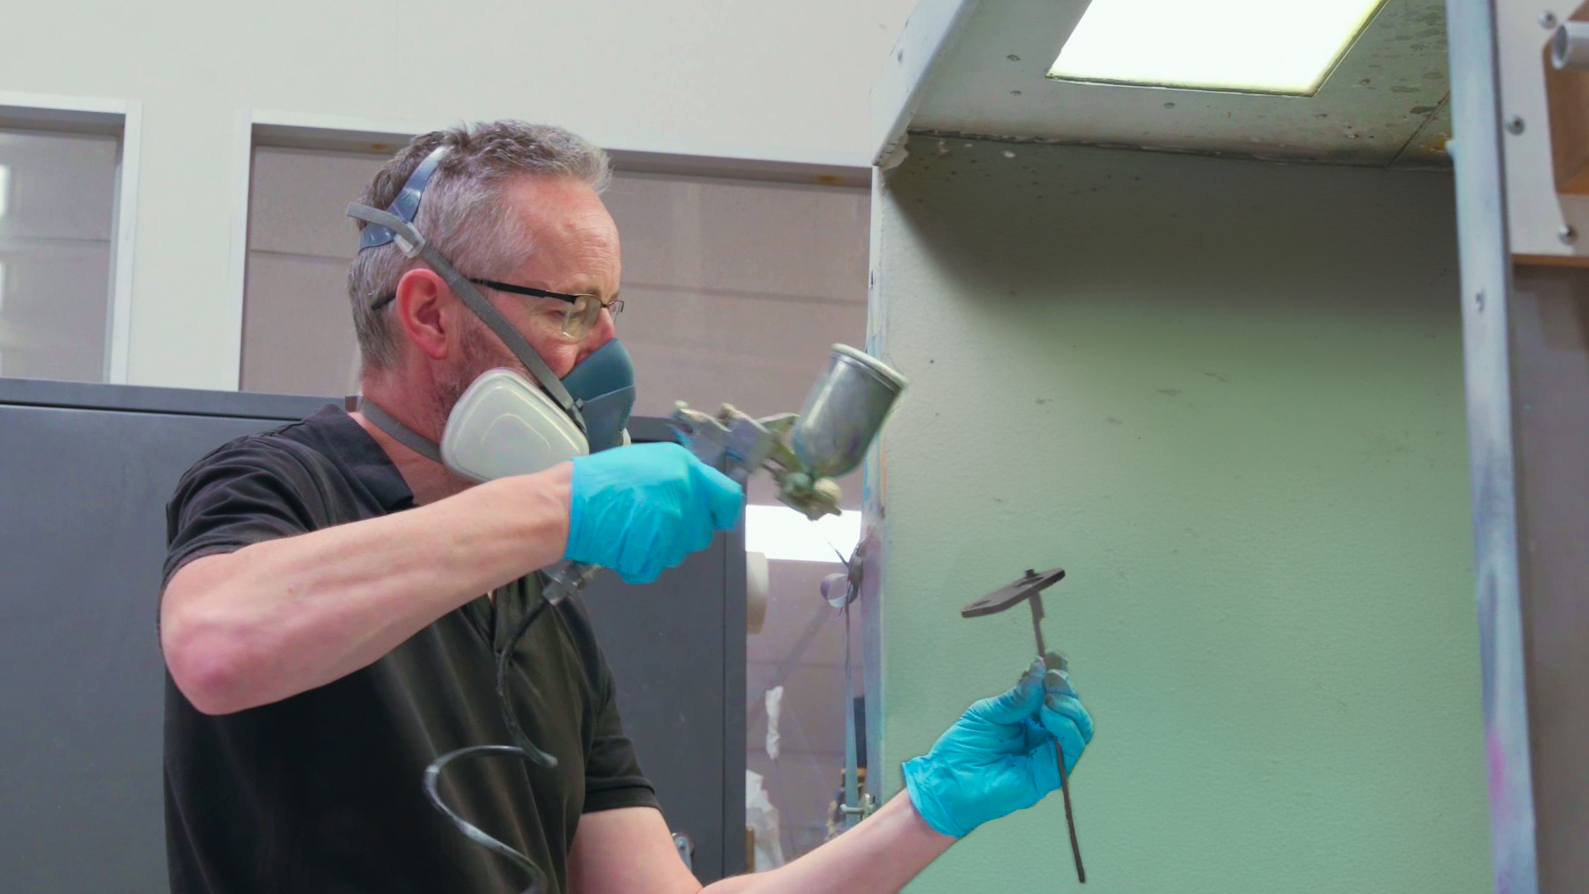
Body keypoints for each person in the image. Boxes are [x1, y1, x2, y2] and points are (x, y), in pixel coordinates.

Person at [158, 119, 1094, 894]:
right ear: (431, 314)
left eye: (611, 310)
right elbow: (217, 645)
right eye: (570, 309)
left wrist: (924, 815)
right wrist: (560, 503)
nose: (604, 351)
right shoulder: (280, 487)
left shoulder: (543, 616)